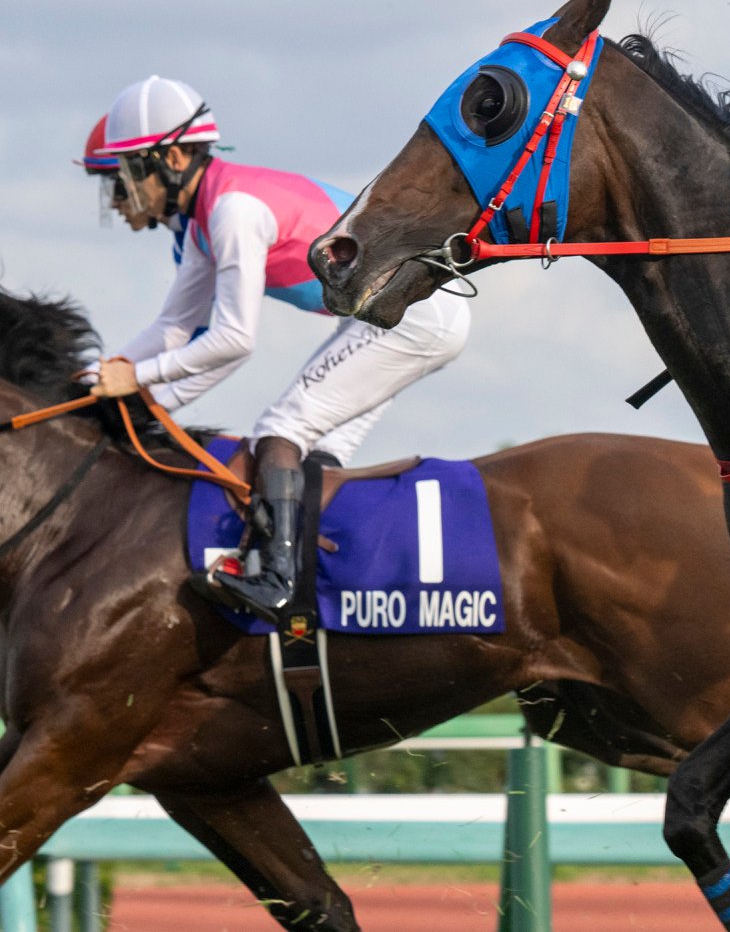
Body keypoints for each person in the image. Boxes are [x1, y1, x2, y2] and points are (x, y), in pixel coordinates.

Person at [86, 76, 472, 624]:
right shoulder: (202, 221)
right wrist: (97, 379)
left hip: (415, 315)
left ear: (172, 158)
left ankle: (277, 578)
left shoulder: (231, 211)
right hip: (394, 314)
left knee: (280, 429)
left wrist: (140, 383)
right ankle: (318, 580)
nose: (121, 196)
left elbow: (234, 341)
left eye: (127, 174)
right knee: (315, 451)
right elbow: (174, 328)